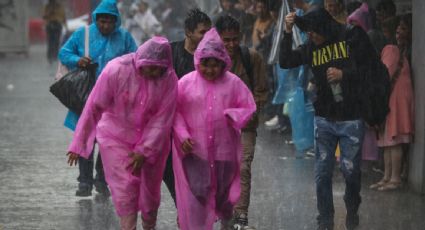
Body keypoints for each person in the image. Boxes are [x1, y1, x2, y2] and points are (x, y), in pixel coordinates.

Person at [280, 8, 384, 230]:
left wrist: (344, 74)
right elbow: (285, 61)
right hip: (324, 118)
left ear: (324, 28)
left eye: (314, 32)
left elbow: (371, 69)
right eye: (307, 32)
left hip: (351, 118)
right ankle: (325, 219)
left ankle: (352, 206)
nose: (311, 36)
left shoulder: (352, 36)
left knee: (351, 171)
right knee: (322, 173)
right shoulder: (311, 46)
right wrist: (287, 32)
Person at [67, 36, 177, 230]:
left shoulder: (168, 80)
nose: (152, 73)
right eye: (149, 67)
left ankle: (149, 225)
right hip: (116, 138)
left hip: (154, 144)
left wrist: (144, 150)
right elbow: (94, 106)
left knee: (150, 193)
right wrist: (79, 143)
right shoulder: (116, 70)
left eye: (157, 68)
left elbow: (162, 120)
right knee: (125, 190)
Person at [172, 28, 256, 230]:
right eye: (205, 64)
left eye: (215, 65)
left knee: (224, 197)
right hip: (196, 153)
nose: (210, 70)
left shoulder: (233, 83)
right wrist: (182, 135)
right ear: (198, 61)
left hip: (224, 153)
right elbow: (174, 112)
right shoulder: (185, 83)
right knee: (199, 194)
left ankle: (226, 223)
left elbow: (248, 107)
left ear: (223, 63)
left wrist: (234, 115)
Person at [59, 0, 137, 197]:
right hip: (86, 97)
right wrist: (78, 60)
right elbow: (64, 52)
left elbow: (136, 59)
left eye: (110, 22)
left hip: (114, 100)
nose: (105, 26)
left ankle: (102, 179)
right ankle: (84, 182)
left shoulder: (125, 37)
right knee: (86, 138)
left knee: (108, 141)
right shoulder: (83, 34)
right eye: (102, 21)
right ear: (96, 19)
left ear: (116, 21)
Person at [215, 15, 268, 230]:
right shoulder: (211, 60)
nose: (231, 44)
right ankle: (223, 213)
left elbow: (261, 91)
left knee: (243, 167)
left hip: (245, 126)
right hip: (218, 128)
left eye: (234, 39)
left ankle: (241, 216)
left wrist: (249, 113)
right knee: (220, 172)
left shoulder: (251, 58)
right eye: (226, 40)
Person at [161, 8, 212, 206]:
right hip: (168, 126)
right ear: (188, 32)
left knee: (197, 176)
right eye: (202, 32)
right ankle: (183, 208)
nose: (207, 36)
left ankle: (193, 211)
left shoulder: (212, 58)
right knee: (170, 172)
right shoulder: (170, 52)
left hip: (197, 128)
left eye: (209, 31)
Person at [370, 14, 414, 191]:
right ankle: (387, 176)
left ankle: (394, 178)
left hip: (396, 100)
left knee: (393, 141)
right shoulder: (394, 50)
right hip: (392, 98)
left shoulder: (389, 50)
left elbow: (384, 77)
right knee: (387, 141)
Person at [42, 0, 66, 64]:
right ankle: (50, 57)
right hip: (50, 24)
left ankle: (55, 56)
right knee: (50, 42)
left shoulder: (60, 6)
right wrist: (50, 12)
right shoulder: (47, 6)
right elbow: (44, 16)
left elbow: (63, 17)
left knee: (56, 41)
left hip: (58, 25)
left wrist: (66, 26)